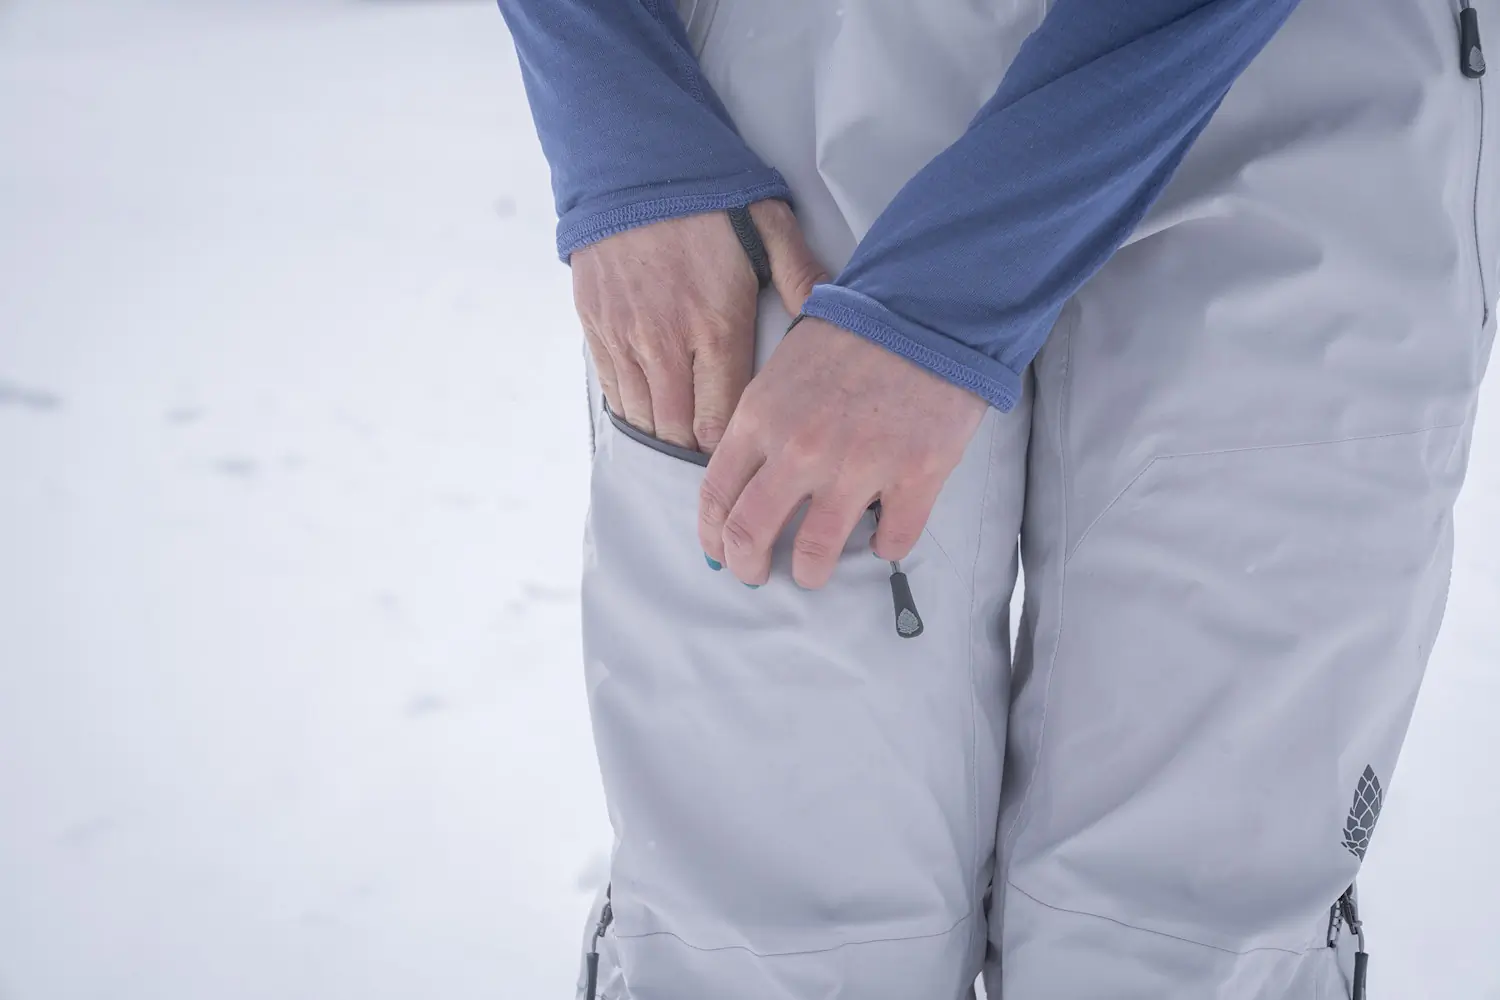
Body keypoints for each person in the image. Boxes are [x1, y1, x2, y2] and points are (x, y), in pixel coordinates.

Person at [497, 0, 1495, 996]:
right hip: (804, 95)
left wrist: (945, 296)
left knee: (1182, 935)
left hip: (1306, 77)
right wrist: (622, 116)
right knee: (768, 938)